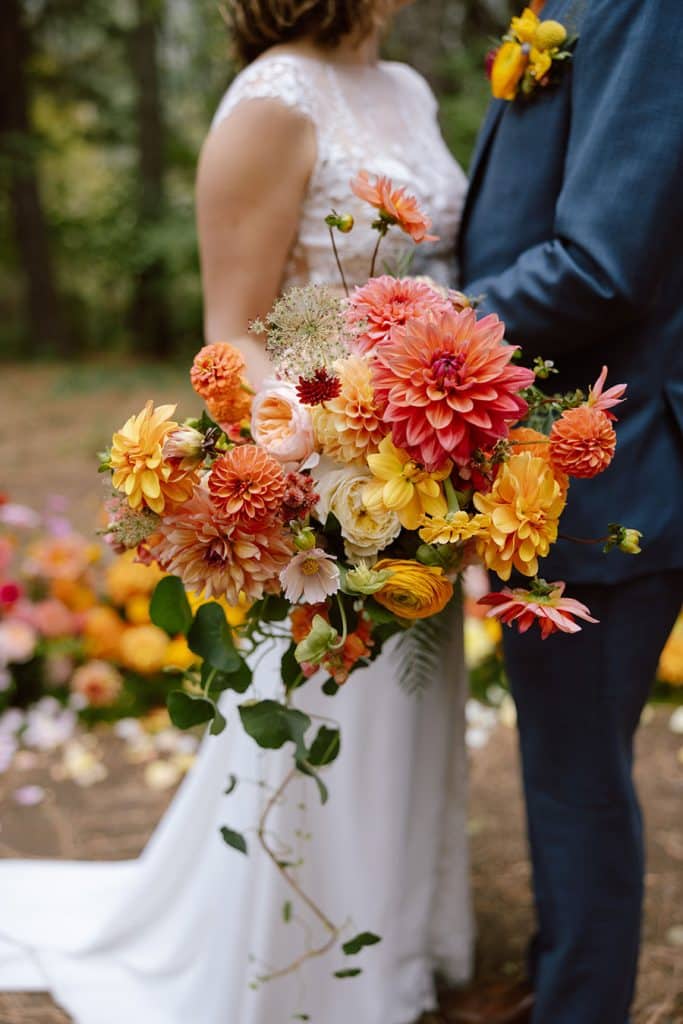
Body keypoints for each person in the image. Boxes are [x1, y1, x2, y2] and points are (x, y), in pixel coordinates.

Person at [0, 3, 475, 1022]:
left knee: (406, 714)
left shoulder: (407, 87)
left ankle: (390, 951)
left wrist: (453, 433)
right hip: (333, 482)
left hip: (435, 468)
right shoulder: (270, 100)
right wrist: (333, 453)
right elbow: (232, 339)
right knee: (327, 719)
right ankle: (300, 980)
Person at [459, 1, 683, 1022]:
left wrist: (429, 339)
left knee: (575, 775)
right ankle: (564, 986)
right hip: (552, 453)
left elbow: (601, 261)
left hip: (608, 460)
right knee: (564, 762)